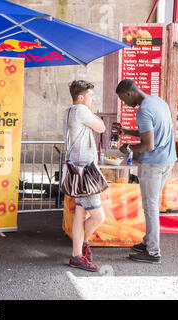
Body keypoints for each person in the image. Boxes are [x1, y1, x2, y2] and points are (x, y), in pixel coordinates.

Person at [116, 79, 176, 264]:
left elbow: (148, 145)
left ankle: (153, 252)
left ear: (129, 93)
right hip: (167, 160)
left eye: (123, 99)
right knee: (153, 205)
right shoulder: (158, 101)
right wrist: (126, 131)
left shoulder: (142, 111)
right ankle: (149, 242)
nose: (125, 104)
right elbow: (151, 132)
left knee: (150, 208)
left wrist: (128, 148)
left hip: (153, 164)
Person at [64, 80, 106, 272]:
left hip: (77, 169)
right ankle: (83, 246)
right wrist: (92, 113)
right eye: (90, 96)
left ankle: (77, 255)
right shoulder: (81, 111)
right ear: (80, 98)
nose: (93, 98)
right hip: (85, 171)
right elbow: (102, 127)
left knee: (81, 214)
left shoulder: (69, 110)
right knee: (98, 216)